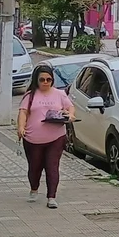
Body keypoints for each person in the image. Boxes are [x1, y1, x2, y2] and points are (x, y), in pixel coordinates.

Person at [16, 64, 75, 208]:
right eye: (42, 80)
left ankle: (51, 197)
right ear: (36, 80)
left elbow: (70, 107)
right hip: (33, 139)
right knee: (35, 167)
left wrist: (70, 115)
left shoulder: (59, 94)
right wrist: (21, 127)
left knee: (52, 166)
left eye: (49, 79)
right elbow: (23, 112)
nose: (45, 82)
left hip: (56, 138)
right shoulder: (30, 96)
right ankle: (34, 188)